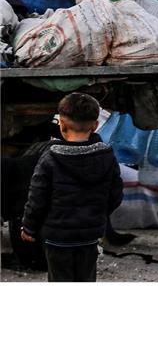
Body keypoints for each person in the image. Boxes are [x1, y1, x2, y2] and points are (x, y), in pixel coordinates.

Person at [19, 93, 123, 282]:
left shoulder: (50, 158)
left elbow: (37, 198)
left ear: (62, 125)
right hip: (90, 236)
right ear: (95, 126)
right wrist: (98, 215)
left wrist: (29, 227)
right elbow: (115, 194)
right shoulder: (107, 156)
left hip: (56, 237)